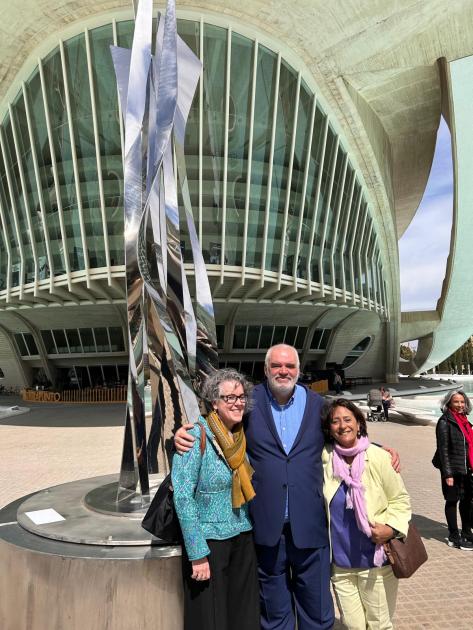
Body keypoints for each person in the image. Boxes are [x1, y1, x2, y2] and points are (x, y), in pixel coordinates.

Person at [175, 344, 400, 630]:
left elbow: (346, 436)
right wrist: (183, 433)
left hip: (310, 525)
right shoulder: (248, 402)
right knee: (273, 613)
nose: (284, 371)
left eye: (290, 366)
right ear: (266, 370)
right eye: (277, 366)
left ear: (298, 370)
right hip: (265, 528)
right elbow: (219, 424)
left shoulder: (319, 406)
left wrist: (379, 449)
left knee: (317, 612)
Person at [171, 368, 260, 630]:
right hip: (211, 543)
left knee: (241, 611)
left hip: (242, 535)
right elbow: (183, 496)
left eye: (241, 396)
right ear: (214, 402)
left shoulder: (240, 435)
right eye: (229, 397)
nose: (237, 402)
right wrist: (197, 553)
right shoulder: (195, 436)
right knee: (211, 617)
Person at [321, 399, 411, 630]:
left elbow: (400, 500)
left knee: (379, 625)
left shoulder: (379, 457)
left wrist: (390, 529)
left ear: (359, 423)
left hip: (376, 561)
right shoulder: (325, 459)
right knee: (353, 625)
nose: (342, 426)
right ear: (329, 429)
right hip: (341, 565)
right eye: (335, 421)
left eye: (348, 419)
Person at [432, 390, 473, 550]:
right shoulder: (445, 422)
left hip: (466, 469)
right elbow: (443, 450)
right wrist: (447, 474)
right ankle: (453, 536)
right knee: (452, 501)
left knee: (466, 501)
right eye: (456, 402)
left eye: (462, 402)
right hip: (452, 469)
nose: (460, 405)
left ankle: (467, 532)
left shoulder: (465, 421)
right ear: (449, 403)